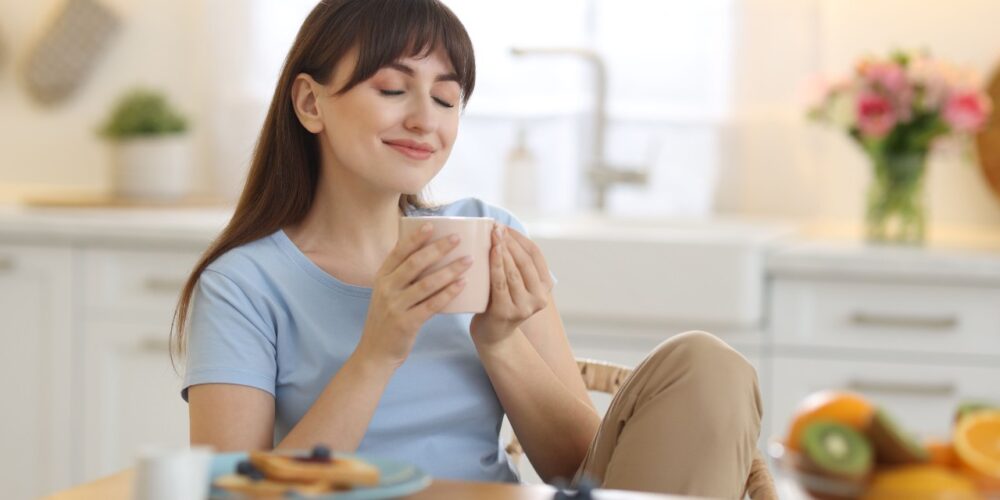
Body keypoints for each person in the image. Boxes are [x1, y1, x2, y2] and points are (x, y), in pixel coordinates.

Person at [173, 0, 768, 497]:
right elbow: (240, 494)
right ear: (309, 103)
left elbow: (583, 470)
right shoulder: (244, 285)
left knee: (706, 364)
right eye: (392, 88)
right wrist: (378, 352)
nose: (423, 120)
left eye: (445, 98)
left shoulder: (488, 235)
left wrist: (501, 342)